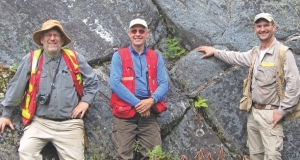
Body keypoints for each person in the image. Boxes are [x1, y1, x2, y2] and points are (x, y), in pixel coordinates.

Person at [198, 13, 300, 160]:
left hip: (271, 114)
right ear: (255, 29)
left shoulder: (283, 52)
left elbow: (294, 84)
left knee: (272, 156)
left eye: (266, 25)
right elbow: (236, 57)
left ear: (274, 27)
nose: (262, 29)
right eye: (259, 26)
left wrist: (282, 111)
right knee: (255, 155)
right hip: (253, 113)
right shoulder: (255, 52)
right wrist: (215, 51)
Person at [0, 19, 100, 160]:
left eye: (56, 35)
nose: (52, 38)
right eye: (48, 35)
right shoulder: (31, 59)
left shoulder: (75, 58)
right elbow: (16, 87)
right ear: (41, 39)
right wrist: (6, 114)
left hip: (70, 124)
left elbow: (93, 82)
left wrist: (86, 101)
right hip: (40, 122)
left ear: (62, 40)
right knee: (26, 152)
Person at [109, 18, 169, 159]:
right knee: (122, 155)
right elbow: (115, 84)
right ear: (129, 34)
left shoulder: (156, 56)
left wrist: (151, 101)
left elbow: (164, 84)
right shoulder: (119, 55)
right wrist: (138, 104)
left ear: (147, 34)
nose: (137, 34)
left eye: (141, 31)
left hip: (150, 110)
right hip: (125, 110)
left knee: (154, 155)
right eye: (134, 31)